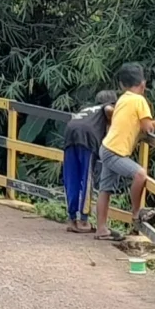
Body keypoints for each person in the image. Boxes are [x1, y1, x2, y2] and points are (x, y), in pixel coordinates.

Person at [94, 63, 155, 242]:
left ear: (121, 85)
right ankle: (136, 213)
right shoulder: (139, 100)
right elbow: (147, 128)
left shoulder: (123, 99)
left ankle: (101, 229)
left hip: (107, 147)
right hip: (115, 152)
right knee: (140, 174)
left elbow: (133, 122)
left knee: (105, 189)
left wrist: (150, 123)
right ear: (143, 84)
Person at [61, 93, 113, 233]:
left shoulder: (87, 110)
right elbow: (108, 109)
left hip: (70, 133)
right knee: (87, 178)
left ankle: (72, 219)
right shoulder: (104, 108)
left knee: (71, 178)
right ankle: (83, 220)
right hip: (87, 137)